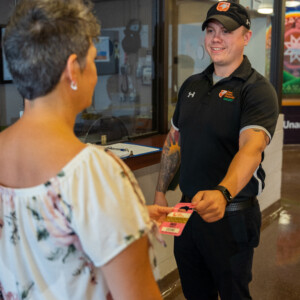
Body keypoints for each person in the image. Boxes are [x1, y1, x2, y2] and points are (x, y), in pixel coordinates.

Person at [0, 1, 173, 299]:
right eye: (93, 59)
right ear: (72, 70)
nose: (95, 70)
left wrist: (129, 215)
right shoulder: (94, 172)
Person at [154, 1, 279, 299]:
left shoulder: (256, 90)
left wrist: (223, 193)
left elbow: (251, 148)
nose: (216, 38)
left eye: (226, 31)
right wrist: (160, 193)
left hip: (232, 217)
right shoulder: (192, 86)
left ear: (246, 37)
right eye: (211, 30)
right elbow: (175, 140)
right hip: (188, 213)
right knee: (195, 294)